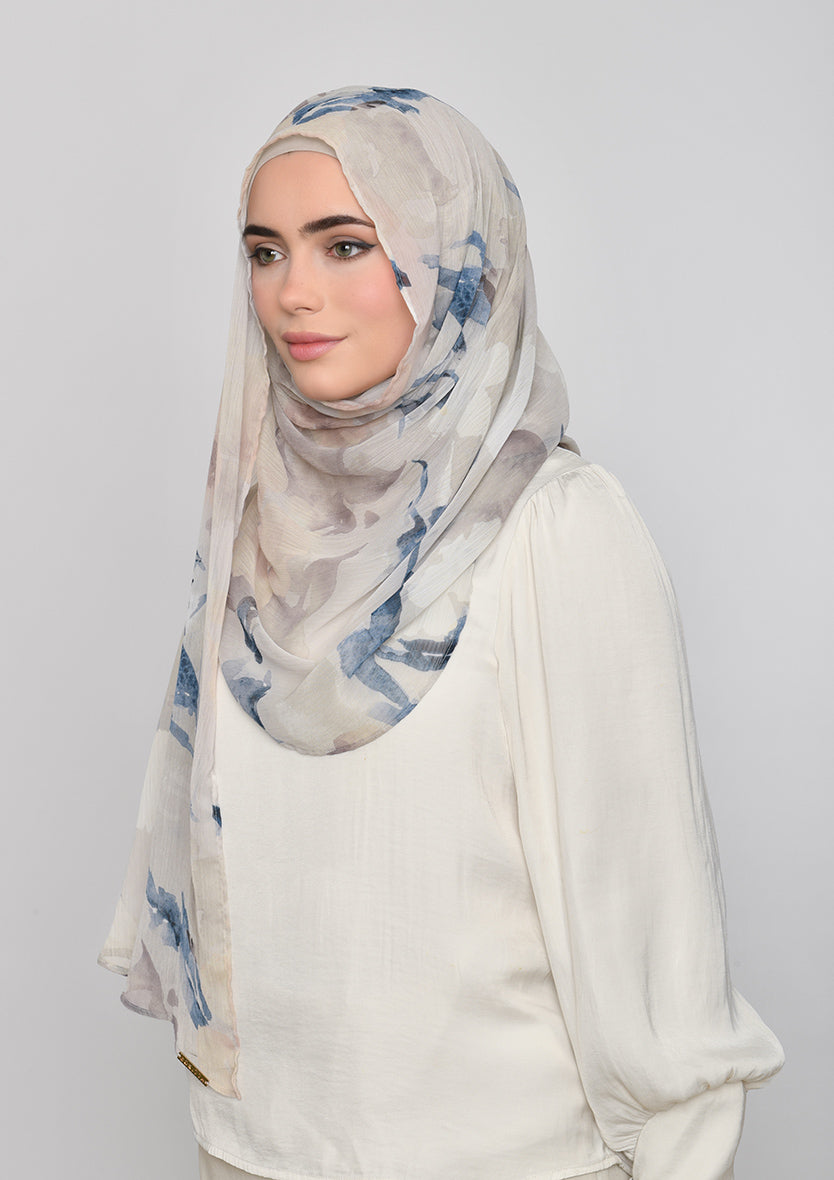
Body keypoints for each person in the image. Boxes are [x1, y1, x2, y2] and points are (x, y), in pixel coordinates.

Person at [99, 86, 783, 1180]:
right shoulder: (254, 535)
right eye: (266, 251)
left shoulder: (557, 531)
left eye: (346, 244)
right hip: (253, 1154)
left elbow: (654, 944)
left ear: (458, 262)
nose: (293, 292)